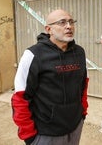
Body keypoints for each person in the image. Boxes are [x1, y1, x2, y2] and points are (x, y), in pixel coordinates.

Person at [11, 9, 89, 145]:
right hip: (46, 132)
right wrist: (28, 135)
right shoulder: (33, 55)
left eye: (71, 22)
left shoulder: (79, 52)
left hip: (75, 126)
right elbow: (20, 97)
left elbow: (83, 85)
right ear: (49, 29)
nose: (69, 26)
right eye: (62, 22)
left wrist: (82, 113)